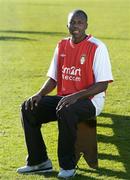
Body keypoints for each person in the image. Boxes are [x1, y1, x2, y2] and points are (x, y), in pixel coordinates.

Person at [17, 9, 113, 178]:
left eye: (79, 22)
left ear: (86, 25)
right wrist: (39, 94)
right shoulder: (61, 45)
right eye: (72, 22)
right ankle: (39, 161)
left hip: (90, 101)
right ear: (67, 25)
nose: (76, 26)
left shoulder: (97, 47)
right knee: (28, 107)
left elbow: (102, 84)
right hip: (65, 99)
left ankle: (68, 166)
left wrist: (75, 96)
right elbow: (53, 78)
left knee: (66, 110)